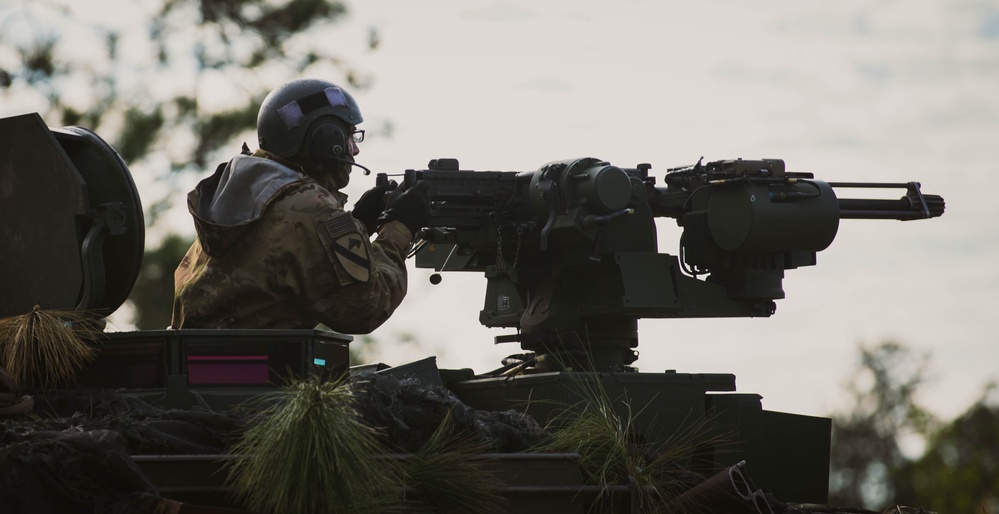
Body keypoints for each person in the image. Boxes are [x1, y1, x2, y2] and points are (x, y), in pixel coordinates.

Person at [171, 78, 428, 333]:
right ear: (326, 138)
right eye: (350, 136)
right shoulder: (310, 208)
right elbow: (366, 307)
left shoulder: (248, 190)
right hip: (259, 370)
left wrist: (357, 223)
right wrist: (400, 226)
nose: (355, 150)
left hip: (208, 364)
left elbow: (285, 252)